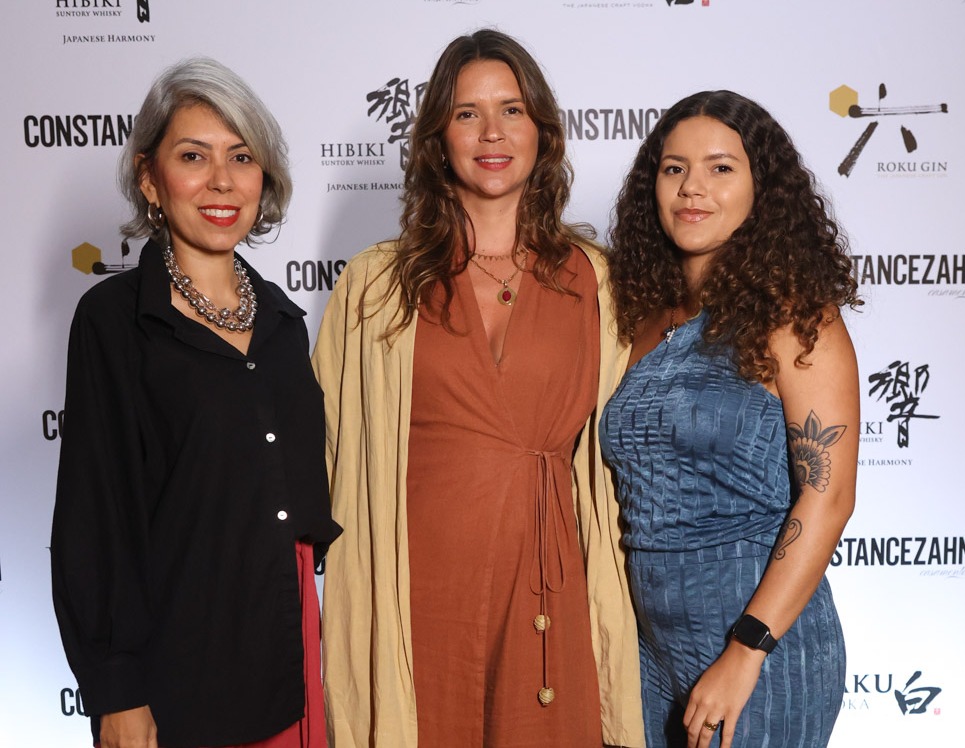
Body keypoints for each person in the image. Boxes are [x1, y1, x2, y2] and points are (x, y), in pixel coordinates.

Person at [311, 28, 643, 748]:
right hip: (419, 591)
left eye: (512, 110)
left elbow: (629, 454)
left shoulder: (598, 279)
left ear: (542, 133)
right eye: (467, 113)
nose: (492, 132)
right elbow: (329, 451)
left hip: (550, 587)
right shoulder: (375, 283)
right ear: (438, 137)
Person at [51, 58, 341, 748]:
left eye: (242, 157)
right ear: (151, 177)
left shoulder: (279, 321)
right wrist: (116, 691)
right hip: (178, 671)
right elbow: (95, 519)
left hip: (285, 641)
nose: (222, 180)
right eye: (193, 156)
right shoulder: (114, 321)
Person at [600, 90, 861, 748]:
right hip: (647, 652)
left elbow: (827, 497)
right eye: (673, 168)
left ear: (760, 189)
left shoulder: (794, 313)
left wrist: (746, 651)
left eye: (720, 168)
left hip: (759, 649)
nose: (693, 188)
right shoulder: (636, 316)